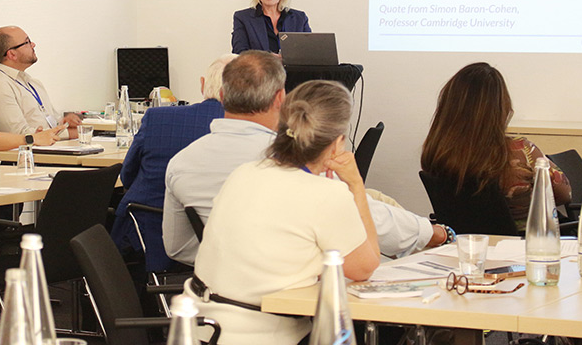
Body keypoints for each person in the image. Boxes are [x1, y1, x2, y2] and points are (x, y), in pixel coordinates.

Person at [163, 51, 449, 266]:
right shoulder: (294, 160)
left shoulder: (181, 163)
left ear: (222, 95)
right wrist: (435, 233)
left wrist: (234, 261)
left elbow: (177, 248)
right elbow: (367, 223)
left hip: (218, 298)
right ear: (281, 98)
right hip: (300, 300)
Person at [187, 80, 379, 345]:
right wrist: (355, 184)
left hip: (199, 329)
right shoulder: (327, 194)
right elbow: (365, 268)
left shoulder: (244, 172)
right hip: (260, 335)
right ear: (337, 144)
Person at [110, 53, 236, 272]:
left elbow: (127, 176)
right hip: (217, 246)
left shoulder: (157, 118)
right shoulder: (240, 129)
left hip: (143, 234)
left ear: (202, 84)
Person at [421, 62, 572, 229]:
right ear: (501, 108)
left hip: (463, 241)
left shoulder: (436, 152)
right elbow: (564, 195)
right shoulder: (521, 150)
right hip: (520, 242)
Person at [0, 26, 77, 143]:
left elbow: (52, 123)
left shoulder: (32, 82)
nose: (33, 45)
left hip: (52, 147)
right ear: (12, 54)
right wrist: (71, 133)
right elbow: (20, 135)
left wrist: (64, 122)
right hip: (26, 153)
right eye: (27, 42)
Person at [231, 0, 310, 54]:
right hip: (258, 64)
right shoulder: (242, 18)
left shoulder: (300, 18)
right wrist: (270, 57)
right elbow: (239, 53)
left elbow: (309, 52)